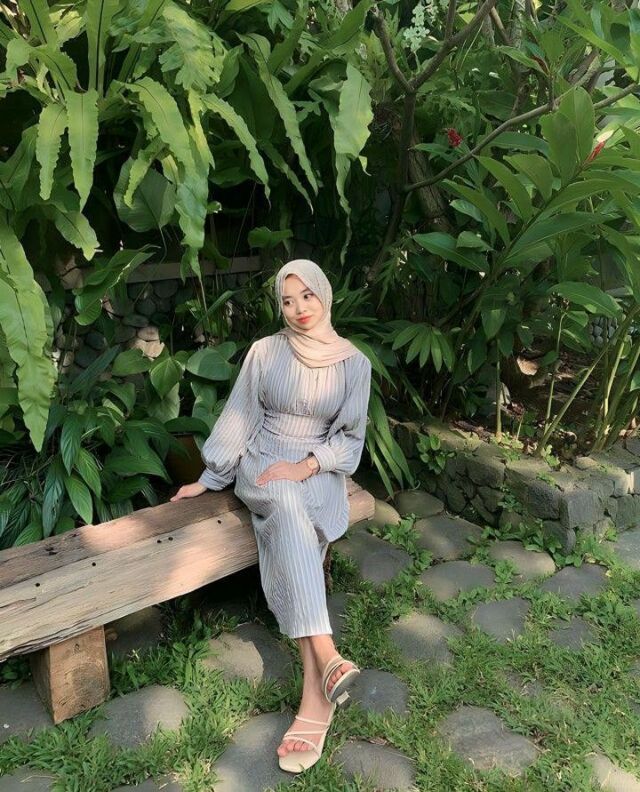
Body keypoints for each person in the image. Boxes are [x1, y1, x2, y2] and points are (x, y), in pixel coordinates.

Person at [171, 259, 373, 773]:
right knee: (282, 499)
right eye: (287, 300)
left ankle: (318, 684)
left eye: (307, 295)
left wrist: (306, 465)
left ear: (324, 295)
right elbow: (240, 415)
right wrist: (210, 476)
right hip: (263, 462)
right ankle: (326, 657)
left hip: (317, 470)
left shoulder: (354, 363)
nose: (298, 308)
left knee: (296, 517)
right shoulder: (265, 351)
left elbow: (349, 440)